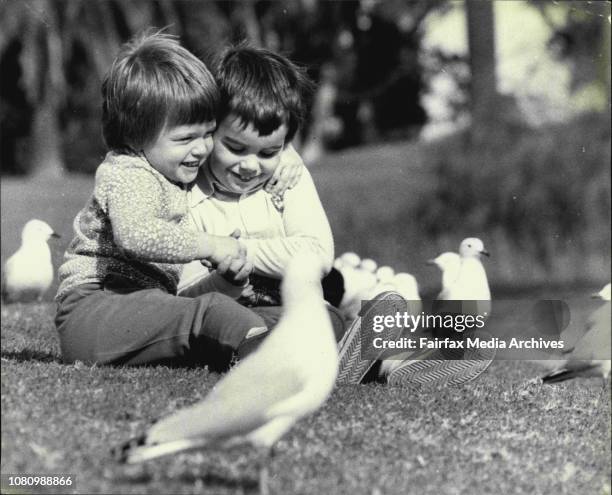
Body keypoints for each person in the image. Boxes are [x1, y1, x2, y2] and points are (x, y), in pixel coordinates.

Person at [176, 43, 407, 383]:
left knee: (323, 318)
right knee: (243, 324)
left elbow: (317, 254)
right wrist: (224, 278)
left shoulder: (287, 176)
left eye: (269, 151)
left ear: (286, 144)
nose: (250, 166)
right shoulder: (188, 189)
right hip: (228, 319)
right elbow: (187, 294)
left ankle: (387, 365)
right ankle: (354, 362)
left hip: (288, 309)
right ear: (209, 129)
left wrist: (230, 250)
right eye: (235, 148)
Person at [54, 32, 282, 371]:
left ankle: (370, 349)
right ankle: (285, 362)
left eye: (208, 133)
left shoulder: (170, 175)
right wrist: (210, 245)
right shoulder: (128, 171)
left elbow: (168, 301)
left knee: (269, 312)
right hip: (94, 310)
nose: (203, 148)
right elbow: (138, 235)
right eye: (186, 138)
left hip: (140, 310)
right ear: (135, 135)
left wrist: (227, 279)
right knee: (213, 313)